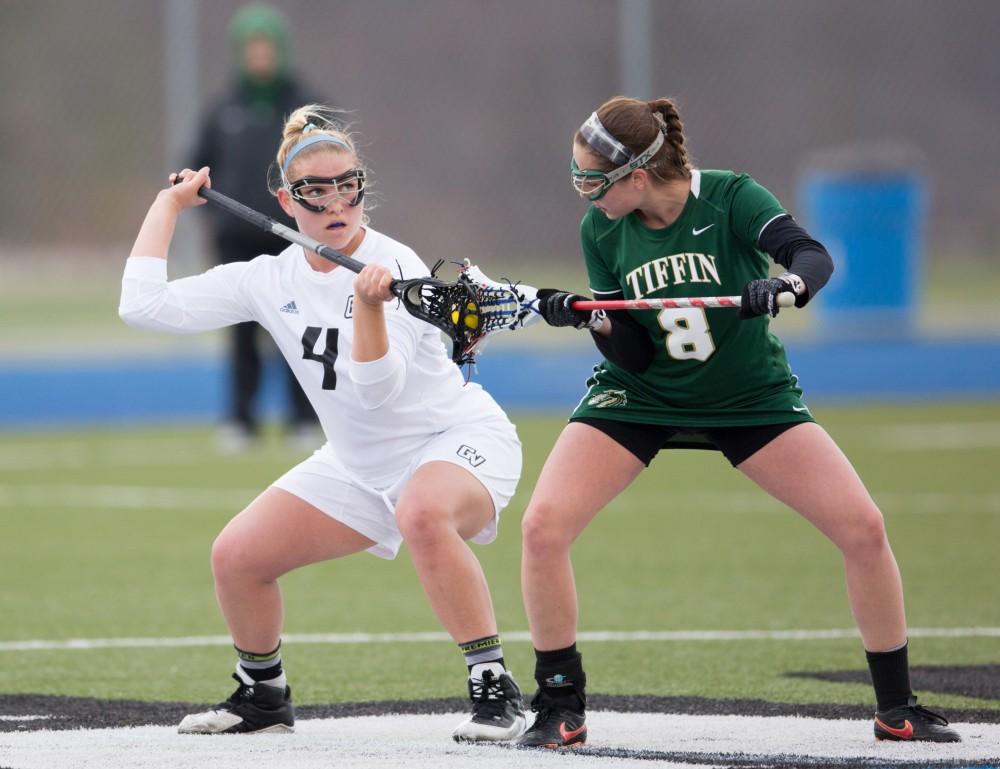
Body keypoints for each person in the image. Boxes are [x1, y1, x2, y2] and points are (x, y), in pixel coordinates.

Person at [515, 95, 961, 748]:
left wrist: (786, 287)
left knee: (863, 527)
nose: (584, 193)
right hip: (641, 395)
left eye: (593, 179)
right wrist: (594, 316)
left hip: (748, 396)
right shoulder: (601, 230)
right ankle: (560, 704)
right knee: (542, 526)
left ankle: (897, 706)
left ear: (638, 175)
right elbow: (633, 352)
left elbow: (810, 256)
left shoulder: (730, 197)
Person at [119, 104, 527, 742]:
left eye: (348, 185)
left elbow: (376, 389)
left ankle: (494, 686)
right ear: (285, 200)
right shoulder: (268, 277)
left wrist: (367, 304)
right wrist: (168, 208)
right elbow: (141, 306)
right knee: (237, 557)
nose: (336, 203)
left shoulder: (399, 267)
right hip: (360, 461)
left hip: (455, 441)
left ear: (362, 187)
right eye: (315, 191)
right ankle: (262, 696)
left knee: (421, 513)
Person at [190, 3, 320, 451]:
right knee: (242, 332)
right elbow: (198, 168)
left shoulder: (305, 108)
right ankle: (240, 421)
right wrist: (213, 218)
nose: (260, 55)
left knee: (298, 328)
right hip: (237, 240)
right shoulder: (223, 108)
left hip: (293, 238)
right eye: (252, 47)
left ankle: (304, 419)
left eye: (267, 46)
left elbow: (329, 165)